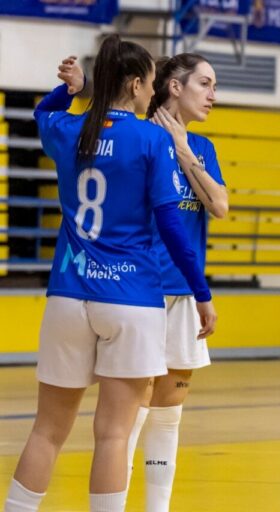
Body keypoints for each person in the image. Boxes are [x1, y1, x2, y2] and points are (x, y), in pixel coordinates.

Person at [3, 35, 216, 512]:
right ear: (138, 84)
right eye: (152, 83)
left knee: (46, 430)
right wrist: (201, 292)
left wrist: (73, 91)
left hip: (67, 292)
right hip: (130, 297)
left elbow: (42, 112)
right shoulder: (152, 138)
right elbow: (171, 225)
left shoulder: (68, 129)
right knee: (114, 434)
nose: (154, 92)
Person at [124, 53, 227, 512]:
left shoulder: (202, 147)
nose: (213, 95)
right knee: (129, 414)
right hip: (139, 290)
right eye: (205, 84)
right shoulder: (139, 137)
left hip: (184, 292)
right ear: (174, 88)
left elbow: (220, 206)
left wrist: (185, 151)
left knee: (169, 414)